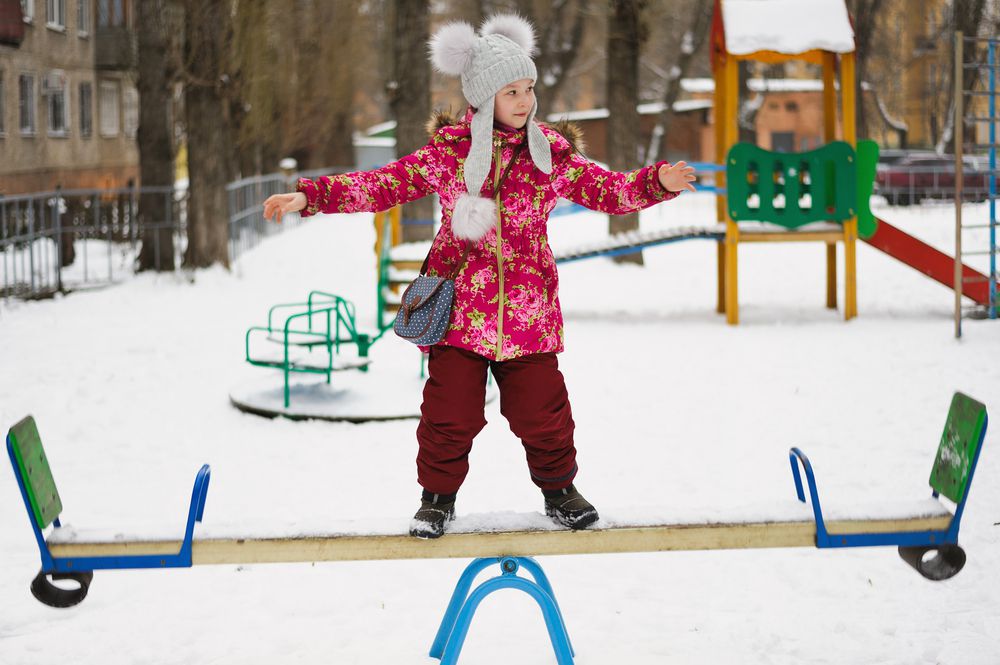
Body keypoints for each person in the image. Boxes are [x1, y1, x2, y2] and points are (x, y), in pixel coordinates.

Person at [263, 14, 696, 539]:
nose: (524, 100)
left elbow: (612, 192)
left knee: (544, 411)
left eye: (529, 88)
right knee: (449, 414)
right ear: (483, 96)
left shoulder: (551, 158)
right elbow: (380, 184)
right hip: (458, 312)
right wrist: (313, 196)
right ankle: (437, 500)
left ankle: (560, 491)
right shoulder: (448, 154)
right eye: (511, 90)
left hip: (528, 313)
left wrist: (657, 182)